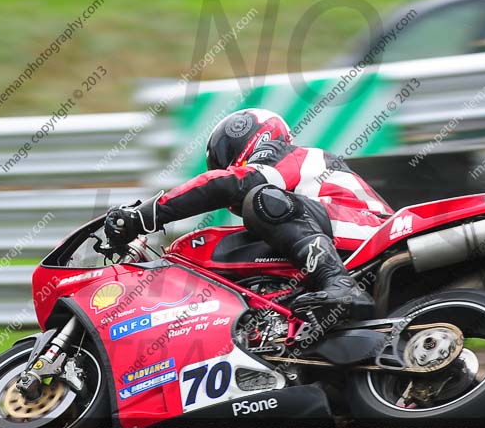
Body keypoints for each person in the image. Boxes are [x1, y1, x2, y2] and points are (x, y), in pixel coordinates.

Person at [104, 108, 393, 321]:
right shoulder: (290, 192)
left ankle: (339, 284)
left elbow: (230, 183)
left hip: (371, 230)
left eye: (225, 156)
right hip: (346, 235)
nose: (226, 166)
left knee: (263, 202)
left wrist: (145, 215)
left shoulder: (285, 155)